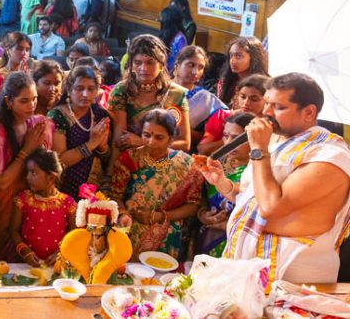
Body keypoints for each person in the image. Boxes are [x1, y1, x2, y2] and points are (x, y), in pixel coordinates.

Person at [197, 73, 350, 283]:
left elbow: (271, 206)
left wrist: (258, 148)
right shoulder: (277, 142)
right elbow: (251, 198)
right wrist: (221, 182)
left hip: (294, 278)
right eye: (267, 103)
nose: (266, 112)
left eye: (278, 107)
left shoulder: (330, 155)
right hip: (248, 269)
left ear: (309, 112)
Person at [112, 109, 203, 259]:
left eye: (159, 137)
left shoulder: (186, 164)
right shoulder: (129, 158)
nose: (151, 142)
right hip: (130, 229)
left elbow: (194, 205)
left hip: (167, 234)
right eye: (146, 135)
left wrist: (160, 217)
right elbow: (115, 195)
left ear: (171, 139)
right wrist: (123, 214)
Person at [0, 72, 54, 261]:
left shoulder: (35, 122)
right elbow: (2, 182)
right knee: (1, 263)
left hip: (28, 202)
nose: (31, 105)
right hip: (4, 204)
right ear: (8, 101)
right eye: (24, 101)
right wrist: (26, 149)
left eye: (34, 99)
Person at [108, 34, 190, 153]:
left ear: (161, 65)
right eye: (138, 62)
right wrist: (110, 171)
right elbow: (119, 140)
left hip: (165, 164)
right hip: (130, 160)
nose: (143, 68)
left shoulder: (176, 94)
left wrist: (142, 142)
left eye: (150, 63)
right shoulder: (122, 91)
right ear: (130, 65)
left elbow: (185, 144)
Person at [195, 112, 254, 257]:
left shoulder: (257, 172)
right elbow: (201, 199)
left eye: (235, 138)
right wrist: (202, 214)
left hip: (236, 242)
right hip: (207, 237)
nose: (228, 143)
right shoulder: (216, 165)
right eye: (226, 136)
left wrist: (228, 224)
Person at [49, 66, 111, 200]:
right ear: (69, 89)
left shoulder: (100, 114)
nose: (85, 94)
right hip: (65, 188)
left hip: (94, 190)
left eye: (91, 89)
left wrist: (102, 148)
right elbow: (59, 161)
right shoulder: (58, 115)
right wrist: (91, 144)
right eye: (79, 88)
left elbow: (108, 159)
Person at [10, 148, 76, 267]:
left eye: (34, 173)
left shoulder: (68, 203)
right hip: (27, 265)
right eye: (28, 172)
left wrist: (61, 253)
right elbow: (14, 230)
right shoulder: (23, 199)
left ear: (51, 178)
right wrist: (25, 252)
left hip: (57, 266)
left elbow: (74, 235)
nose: (28, 177)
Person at [172, 45, 227, 151]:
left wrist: (184, 130)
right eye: (191, 65)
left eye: (200, 68)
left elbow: (204, 137)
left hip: (180, 152)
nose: (195, 72)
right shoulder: (160, 88)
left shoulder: (206, 99)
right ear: (177, 65)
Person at [198, 74, 268, 156]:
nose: (246, 103)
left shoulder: (269, 127)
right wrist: (232, 138)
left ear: (267, 100)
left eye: (254, 99)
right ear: (237, 95)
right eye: (243, 97)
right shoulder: (222, 116)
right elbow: (202, 150)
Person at [217, 36, 269, 107]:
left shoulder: (265, 86)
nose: (232, 61)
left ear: (253, 58)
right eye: (231, 55)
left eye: (239, 56)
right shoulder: (225, 81)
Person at [159, 5, 188, 72]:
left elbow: (174, 64)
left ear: (167, 20)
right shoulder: (166, 34)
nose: (160, 20)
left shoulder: (179, 39)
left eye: (162, 18)